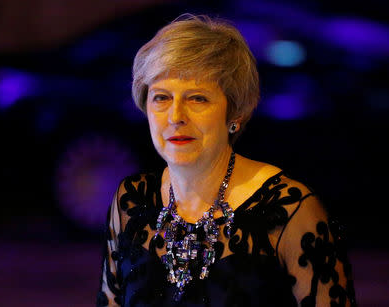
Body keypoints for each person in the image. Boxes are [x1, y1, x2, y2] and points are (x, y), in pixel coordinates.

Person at [97, 14, 356, 306]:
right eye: (161, 98)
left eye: (197, 98)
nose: (176, 116)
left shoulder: (289, 209)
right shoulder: (130, 201)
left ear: (236, 113)